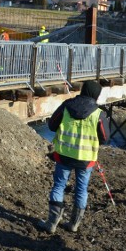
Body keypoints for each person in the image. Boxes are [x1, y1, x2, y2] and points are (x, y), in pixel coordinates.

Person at [37, 80, 108, 233]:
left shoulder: (67, 106)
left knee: (59, 186)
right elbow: (104, 137)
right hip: (86, 159)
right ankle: (74, 224)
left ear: (83, 90)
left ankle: (51, 224)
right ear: (96, 95)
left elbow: (51, 125)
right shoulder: (98, 113)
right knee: (82, 190)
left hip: (64, 155)